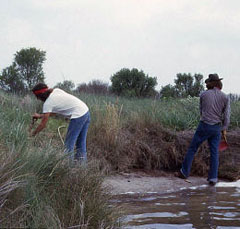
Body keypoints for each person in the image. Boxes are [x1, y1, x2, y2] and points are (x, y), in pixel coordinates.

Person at [177, 74, 230, 185]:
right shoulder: (225, 97)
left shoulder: (203, 95)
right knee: (214, 152)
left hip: (204, 125)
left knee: (192, 148)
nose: (206, 84)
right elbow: (227, 116)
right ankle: (213, 178)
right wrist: (224, 128)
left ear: (210, 83)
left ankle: (184, 172)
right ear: (219, 83)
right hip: (216, 128)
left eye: (207, 83)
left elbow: (201, 111)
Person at [30, 83, 90, 163]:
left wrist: (32, 135)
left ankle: (68, 169)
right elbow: (55, 111)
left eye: (37, 97)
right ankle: (82, 169)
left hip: (78, 115)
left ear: (41, 95)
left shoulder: (48, 103)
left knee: (68, 144)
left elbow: (42, 125)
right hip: (86, 111)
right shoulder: (56, 91)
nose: (38, 99)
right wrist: (40, 116)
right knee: (81, 142)